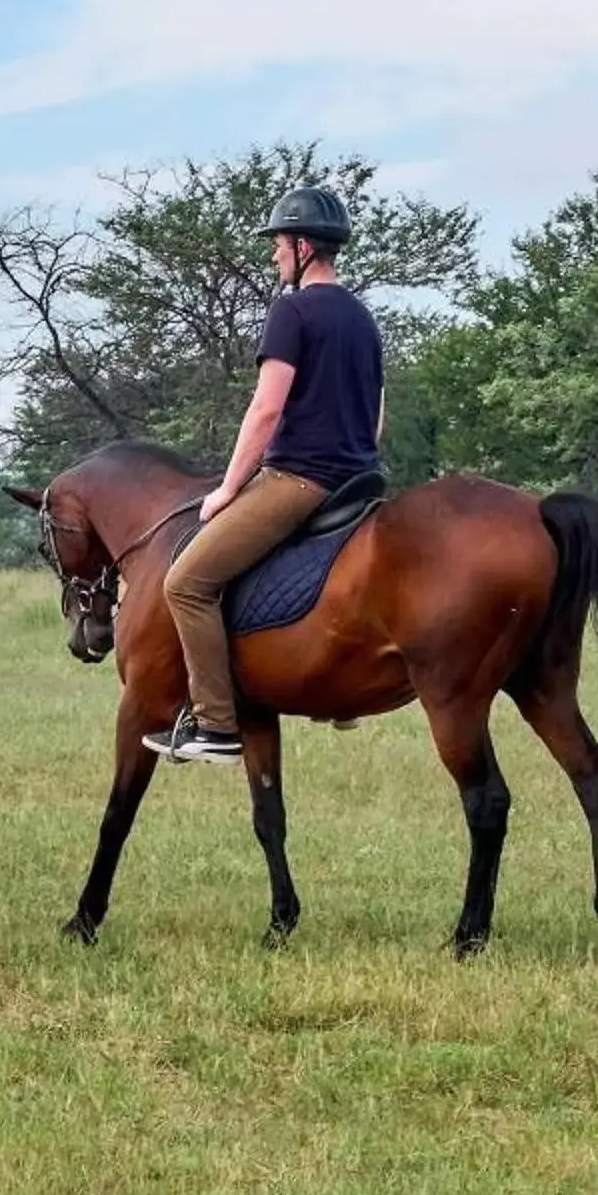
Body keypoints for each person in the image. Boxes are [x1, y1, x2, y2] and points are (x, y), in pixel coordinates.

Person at [146, 185, 386, 765]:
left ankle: (217, 726)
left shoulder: (292, 311)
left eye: (279, 244)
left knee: (185, 583)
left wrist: (228, 490)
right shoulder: (362, 317)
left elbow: (267, 409)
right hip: (361, 482)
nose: (275, 255)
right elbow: (376, 417)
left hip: (299, 480)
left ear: (303, 246)